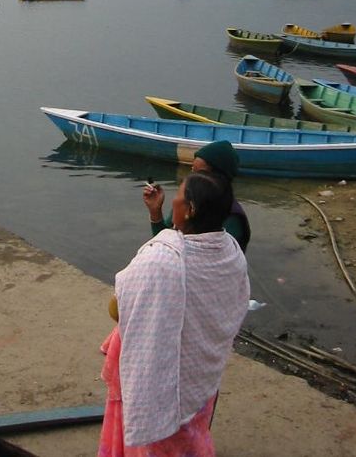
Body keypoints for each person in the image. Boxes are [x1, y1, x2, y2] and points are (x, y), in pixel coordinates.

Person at [98, 170, 250, 457]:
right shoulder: (230, 251)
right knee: (192, 434)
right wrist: (155, 213)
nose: (173, 203)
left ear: (190, 210)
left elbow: (117, 309)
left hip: (168, 381)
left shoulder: (162, 260)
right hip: (201, 378)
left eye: (178, 197)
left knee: (160, 444)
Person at [143, 140, 251, 253]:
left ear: (217, 179)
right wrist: (155, 212)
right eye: (193, 170)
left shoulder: (231, 218)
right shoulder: (187, 201)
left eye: (200, 173)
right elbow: (163, 244)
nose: (191, 177)